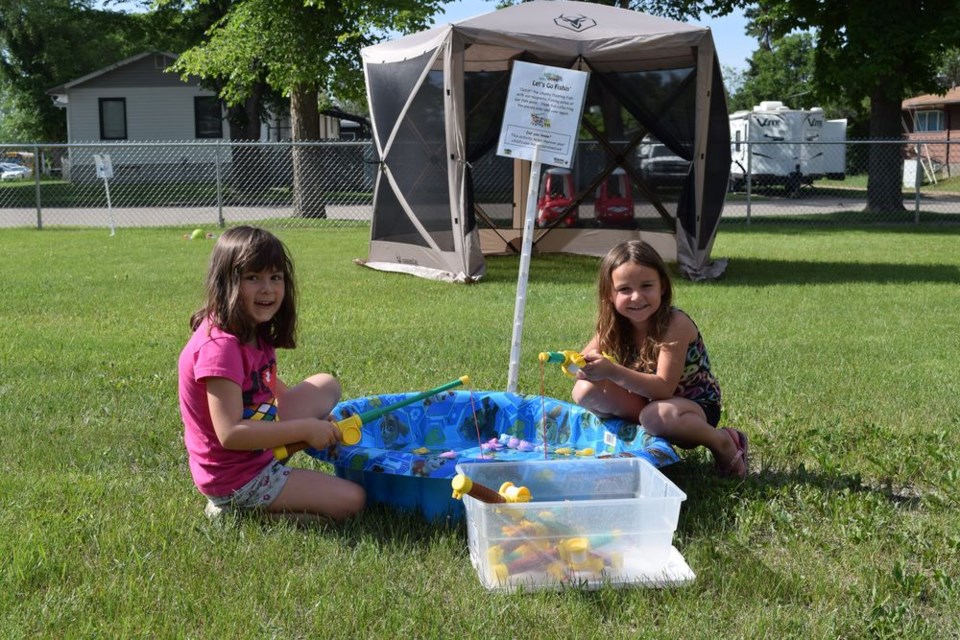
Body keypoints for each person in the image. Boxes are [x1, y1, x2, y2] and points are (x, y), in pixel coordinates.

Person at [178, 226, 366, 521]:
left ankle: (268, 483)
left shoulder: (251, 327)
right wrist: (304, 429)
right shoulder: (220, 348)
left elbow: (262, 381)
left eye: (275, 277)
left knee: (326, 385)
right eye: (253, 278)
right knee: (352, 501)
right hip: (237, 477)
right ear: (227, 282)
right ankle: (237, 512)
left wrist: (313, 418)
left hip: (255, 447)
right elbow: (230, 434)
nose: (267, 288)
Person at [571, 240, 748, 478]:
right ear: (609, 295)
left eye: (646, 286)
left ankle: (723, 441)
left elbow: (664, 388)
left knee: (655, 416)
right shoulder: (614, 326)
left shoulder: (675, 323)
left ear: (662, 286)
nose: (636, 297)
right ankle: (633, 440)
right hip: (647, 404)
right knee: (584, 391)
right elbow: (581, 365)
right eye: (624, 289)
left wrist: (612, 371)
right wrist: (578, 365)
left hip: (693, 406)